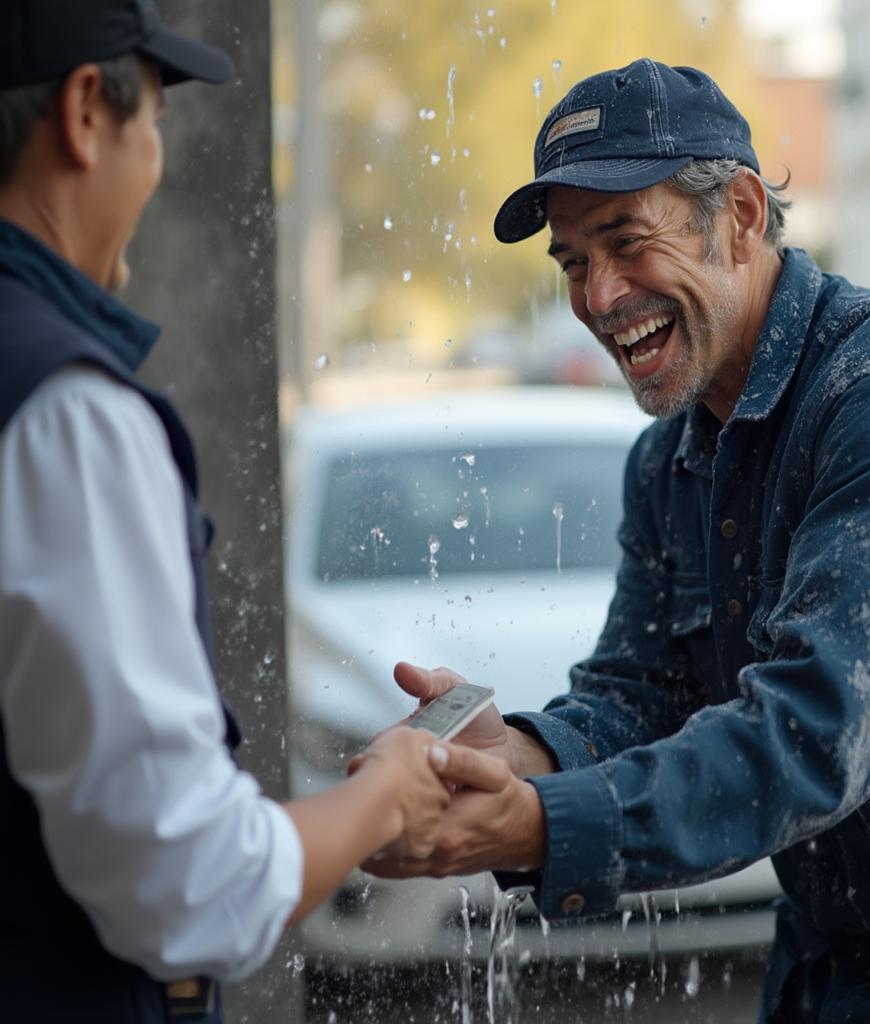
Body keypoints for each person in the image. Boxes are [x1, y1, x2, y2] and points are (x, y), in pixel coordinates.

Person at [367, 59, 870, 1022]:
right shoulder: (666, 462)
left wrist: (540, 827)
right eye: (574, 262)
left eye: (626, 241)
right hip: (818, 974)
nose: (597, 296)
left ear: (745, 213)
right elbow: (640, 694)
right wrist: (512, 755)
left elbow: (815, 735)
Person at [0, 3, 507, 1021]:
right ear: (87, 112)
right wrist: (383, 794)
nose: (155, 165)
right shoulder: (72, 417)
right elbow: (188, 886)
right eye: (156, 127)